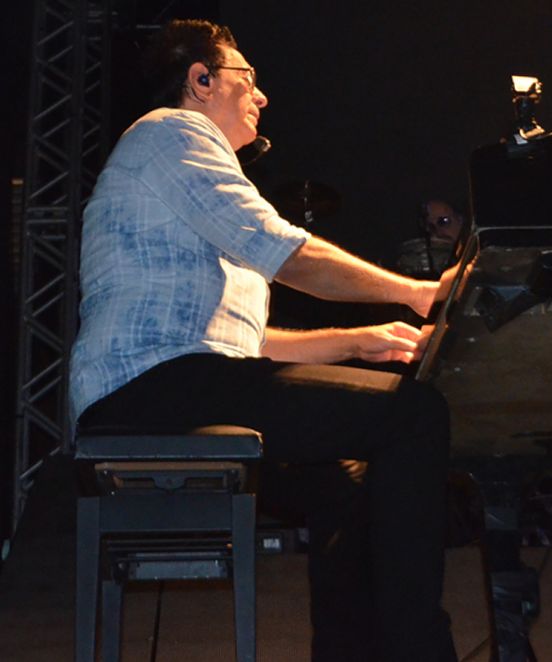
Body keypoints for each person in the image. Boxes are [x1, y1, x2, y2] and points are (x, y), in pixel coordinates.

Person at [68, 19, 457, 662]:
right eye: (247, 78)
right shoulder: (173, 133)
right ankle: (421, 649)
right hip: (150, 388)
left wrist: (356, 342)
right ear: (201, 80)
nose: (262, 95)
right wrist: (417, 293)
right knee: (414, 415)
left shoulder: (176, 162)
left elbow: (243, 348)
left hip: (175, 386)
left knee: (346, 482)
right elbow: (289, 254)